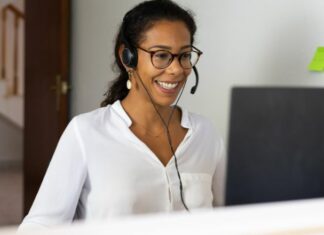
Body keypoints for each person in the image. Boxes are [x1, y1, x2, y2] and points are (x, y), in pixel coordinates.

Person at [18, 0, 225, 230]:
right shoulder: (85, 132)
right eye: (161, 55)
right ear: (128, 57)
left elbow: (235, 215)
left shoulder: (206, 133)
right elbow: (39, 225)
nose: (176, 69)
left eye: (184, 55)